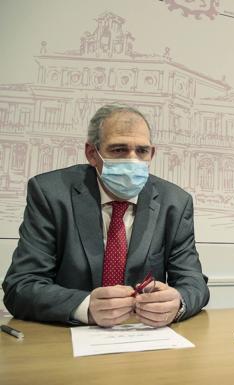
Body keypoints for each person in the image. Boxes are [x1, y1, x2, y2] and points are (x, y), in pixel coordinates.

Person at [2, 104, 209, 327]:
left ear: (152, 153)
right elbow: (21, 286)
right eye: (119, 150)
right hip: (67, 341)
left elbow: (194, 283)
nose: (132, 160)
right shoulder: (51, 194)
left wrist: (177, 302)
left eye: (141, 151)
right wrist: (85, 306)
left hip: (144, 339)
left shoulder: (175, 202)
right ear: (92, 153)